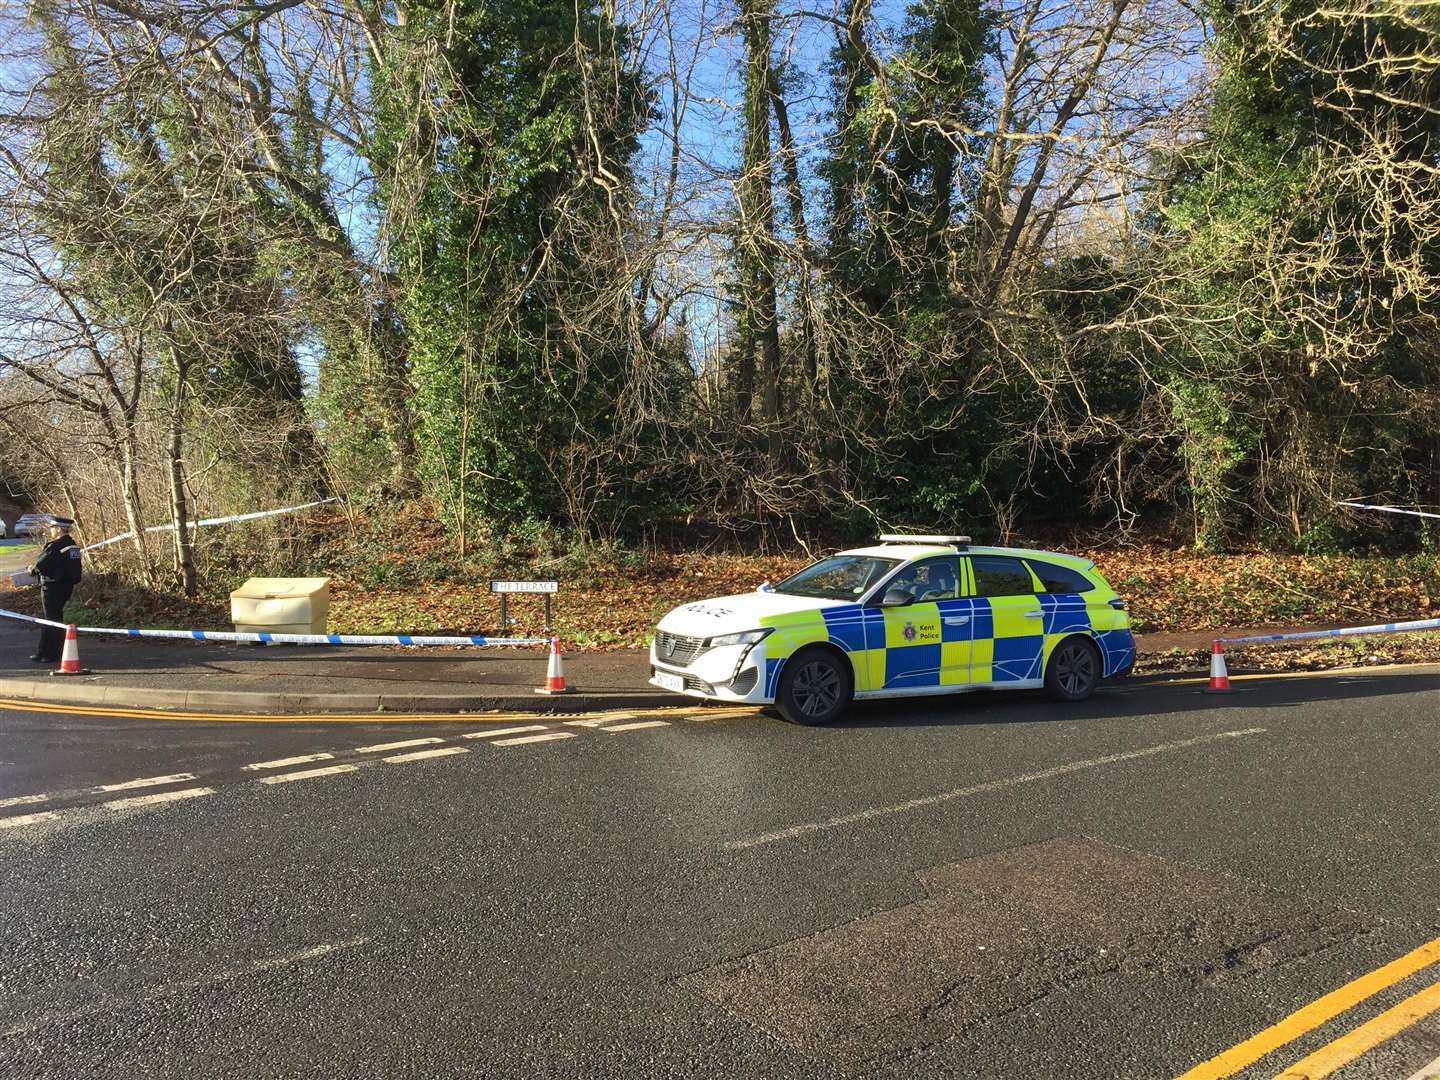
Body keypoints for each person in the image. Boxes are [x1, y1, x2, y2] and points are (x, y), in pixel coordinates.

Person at [28, 517, 82, 664]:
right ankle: (43, 651)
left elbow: (40, 565)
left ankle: (52, 654)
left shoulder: (56, 546)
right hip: (65, 587)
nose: (50, 530)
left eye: (52, 527)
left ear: (59, 529)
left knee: (52, 620)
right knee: (52, 618)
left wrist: (30, 570)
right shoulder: (72, 546)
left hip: (52, 587)